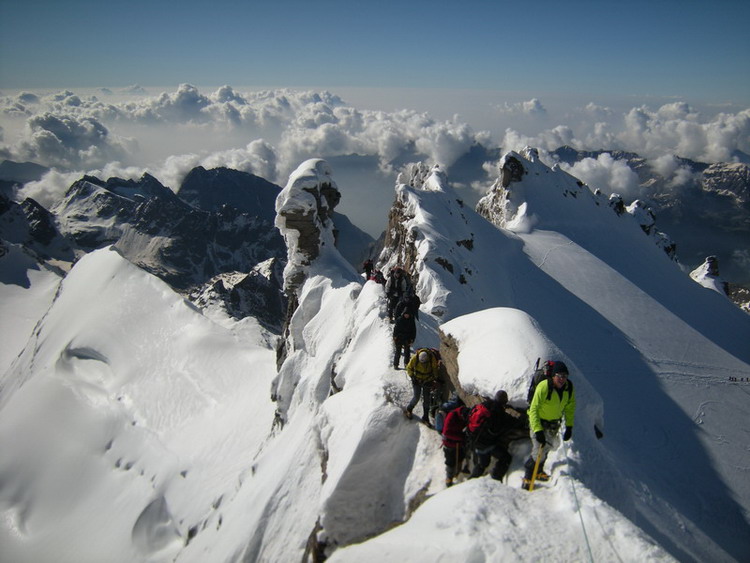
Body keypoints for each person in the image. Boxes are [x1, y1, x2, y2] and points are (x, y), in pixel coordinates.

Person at [522, 361, 576, 490]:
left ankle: (539, 471)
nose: (562, 379)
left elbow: (570, 408)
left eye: (565, 376)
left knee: (547, 448)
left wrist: (569, 427)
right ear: (553, 376)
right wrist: (538, 430)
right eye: (559, 376)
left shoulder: (569, 388)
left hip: (553, 424)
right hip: (538, 421)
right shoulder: (544, 387)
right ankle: (528, 478)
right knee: (537, 451)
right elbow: (534, 409)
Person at [466, 390, 528, 482]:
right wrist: (523, 420)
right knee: (505, 458)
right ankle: (496, 479)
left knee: (483, 464)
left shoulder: (485, 404)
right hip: (487, 444)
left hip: (475, 440)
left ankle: (471, 480)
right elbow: (510, 422)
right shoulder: (499, 413)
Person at [404, 348, 441, 424]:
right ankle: (409, 409)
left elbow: (434, 369)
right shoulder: (415, 357)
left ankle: (425, 417)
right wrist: (412, 377)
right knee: (416, 397)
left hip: (427, 381)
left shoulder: (431, 358)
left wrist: (435, 379)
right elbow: (409, 368)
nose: (423, 363)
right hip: (417, 380)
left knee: (427, 400)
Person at [441, 404, 470, 487]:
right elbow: (446, 432)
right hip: (449, 444)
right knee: (450, 461)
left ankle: (457, 474)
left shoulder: (462, 416)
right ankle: (449, 478)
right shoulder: (451, 416)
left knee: (460, 457)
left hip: (458, 443)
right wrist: (461, 437)